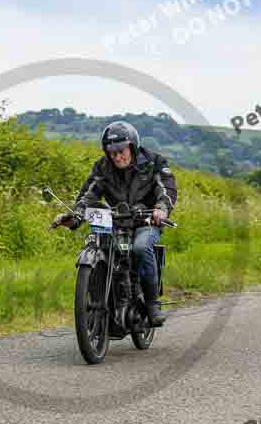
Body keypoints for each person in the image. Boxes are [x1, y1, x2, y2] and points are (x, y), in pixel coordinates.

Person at [55, 121, 178, 327]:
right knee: (100, 246)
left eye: (121, 151)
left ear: (132, 147)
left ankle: (152, 305)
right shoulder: (102, 167)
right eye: (111, 153)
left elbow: (167, 189)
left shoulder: (153, 162)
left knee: (140, 247)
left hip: (146, 221)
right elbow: (88, 195)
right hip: (116, 220)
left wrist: (161, 208)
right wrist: (75, 216)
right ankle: (102, 304)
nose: (117, 157)